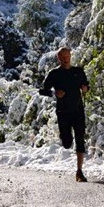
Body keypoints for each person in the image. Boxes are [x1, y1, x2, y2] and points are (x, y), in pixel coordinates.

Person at [39, 47, 90, 182]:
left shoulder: (78, 71)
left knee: (80, 140)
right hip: (63, 113)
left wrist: (85, 88)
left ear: (70, 56)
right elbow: (42, 90)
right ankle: (67, 140)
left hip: (78, 111)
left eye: (67, 57)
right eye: (63, 58)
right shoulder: (54, 74)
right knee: (67, 143)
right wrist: (54, 93)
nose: (66, 59)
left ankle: (79, 171)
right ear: (59, 59)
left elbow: (86, 85)